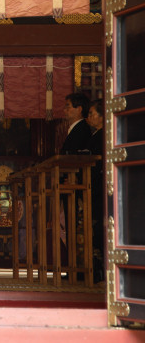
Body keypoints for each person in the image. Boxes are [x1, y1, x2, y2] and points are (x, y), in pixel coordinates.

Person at [87, 98, 105, 283]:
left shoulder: (102, 136)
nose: (89, 117)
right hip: (93, 186)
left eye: (92, 113)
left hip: (99, 185)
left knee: (100, 225)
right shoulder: (95, 135)